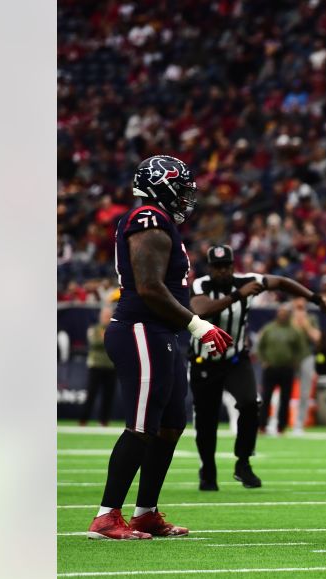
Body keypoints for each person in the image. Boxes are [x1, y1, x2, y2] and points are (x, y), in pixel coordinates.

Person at [87, 155, 233, 540]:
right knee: (142, 426)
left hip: (162, 334)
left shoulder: (162, 221)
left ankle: (146, 512)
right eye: (181, 188)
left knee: (170, 424)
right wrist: (197, 323)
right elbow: (150, 287)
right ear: (161, 185)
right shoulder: (148, 219)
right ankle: (106, 516)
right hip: (141, 329)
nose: (186, 196)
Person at [189, 244, 326, 490]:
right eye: (217, 267)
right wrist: (239, 295)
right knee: (207, 419)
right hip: (204, 362)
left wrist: (316, 298)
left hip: (236, 359)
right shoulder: (201, 285)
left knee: (250, 403)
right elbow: (201, 310)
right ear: (210, 268)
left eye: (226, 266)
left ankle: (243, 463)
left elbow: (281, 282)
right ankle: (208, 469)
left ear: (233, 266)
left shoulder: (247, 280)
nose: (222, 272)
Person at [255, 305, 308, 435]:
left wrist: (295, 362)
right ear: (277, 314)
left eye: (285, 313)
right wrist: (264, 361)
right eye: (281, 312)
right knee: (266, 397)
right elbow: (260, 346)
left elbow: (301, 349)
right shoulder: (269, 329)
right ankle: (262, 425)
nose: (283, 315)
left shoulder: (294, 331)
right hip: (271, 367)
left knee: (285, 399)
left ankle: (281, 426)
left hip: (287, 368)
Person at [289, 296, 323, 435]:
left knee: (304, 392)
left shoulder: (312, 319)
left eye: (302, 300)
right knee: (282, 390)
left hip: (306, 356)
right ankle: (277, 421)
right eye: (297, 299)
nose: (299, 303)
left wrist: (305, 324)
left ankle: (299, 423)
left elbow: (317, 337)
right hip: (289, 358)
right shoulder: (287, 318)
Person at [78, 306, 116, 426]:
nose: (106, 318)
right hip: (96, 366)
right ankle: (84, 420)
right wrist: (107, 339)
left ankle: (104, 421)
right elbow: (94, 343)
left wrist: (105, 338)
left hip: (110, 366)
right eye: (104, 315)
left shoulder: (114, 330)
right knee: (91, 394)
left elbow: (116, 344)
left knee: (108, 396)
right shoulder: (94, 329)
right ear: (100, 316)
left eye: (108, 316)